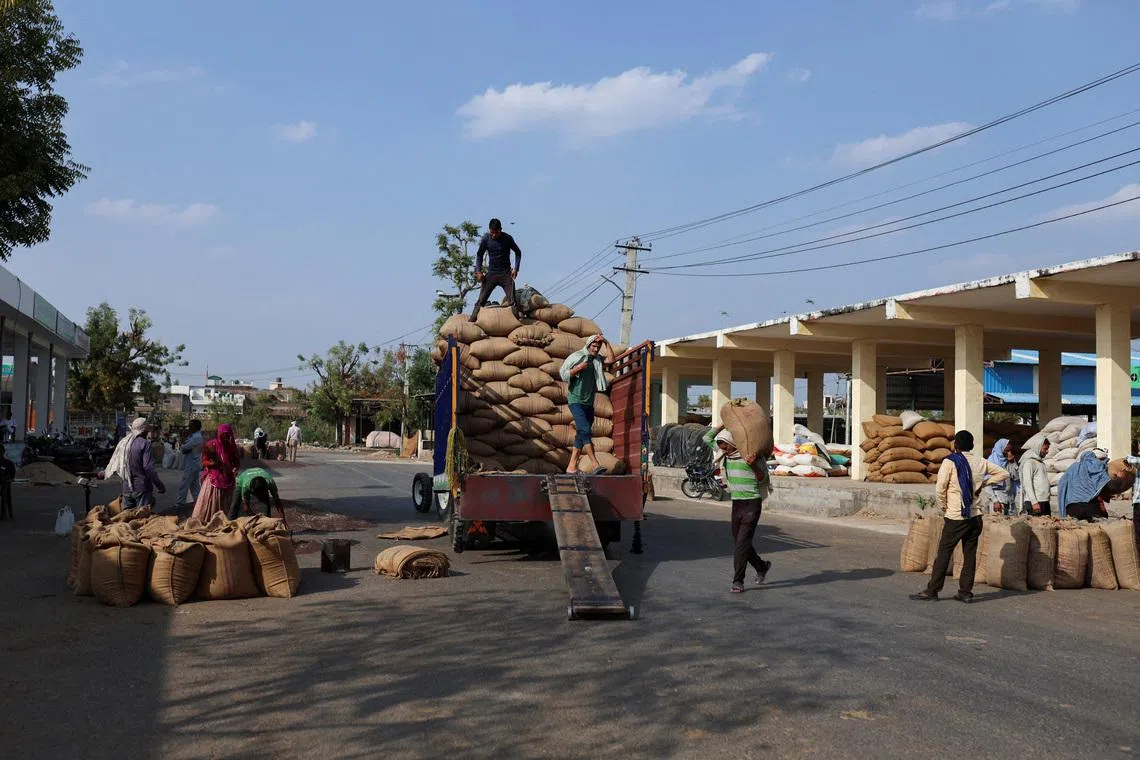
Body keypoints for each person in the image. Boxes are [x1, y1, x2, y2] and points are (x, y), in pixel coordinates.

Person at [913, 430, 1008, 604]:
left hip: (956, 515)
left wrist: (945, 507)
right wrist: (982, 484)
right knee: (970, 554)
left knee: (944, 552)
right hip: (975, 515)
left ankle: (933, 589)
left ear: (955, 445)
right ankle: (965, 592)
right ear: (972, 445)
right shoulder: (980, 462)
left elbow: (940, 488)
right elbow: (1003, 474)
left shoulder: (950, 462)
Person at [704, 425, 773, 593]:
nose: (722, 449)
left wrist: (754, 465)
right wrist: (724, 423)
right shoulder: (724, 454)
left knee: (741, 544)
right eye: (720, 445)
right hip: (737, 503)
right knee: (741, 543)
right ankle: (761, 566)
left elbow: (763, 478)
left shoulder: (750, 456)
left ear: (732, 442)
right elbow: (706, 438)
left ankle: (738, 581)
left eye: (724, 445)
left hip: (752, 503)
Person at [559, 334, 615, 474]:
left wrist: (606, 342)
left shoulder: (597, 360)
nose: (596, 349)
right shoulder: (578, 356)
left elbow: (611, 359)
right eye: (594, 346)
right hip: (575, 401)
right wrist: (578, 368)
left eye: (598, 347)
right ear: (588, 345)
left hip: (588, 403)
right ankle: (595, 463)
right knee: (586, 431)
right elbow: (563, 373)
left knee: (581, 434)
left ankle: (571, 467)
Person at [103, 417, 166, 509]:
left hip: (127, 489)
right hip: (142, 488)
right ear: (145, 430)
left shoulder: (124, 443)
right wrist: (159, 485)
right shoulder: (145, 444)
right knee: (141, 519)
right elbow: (148, 468)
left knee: (125, 519)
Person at [469, 218, 522, 322]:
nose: (494, 235)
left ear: (500, 230)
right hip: (491, 274)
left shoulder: (507, 238)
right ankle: (472, 321)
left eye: (496, 232)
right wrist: (478, 271)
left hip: (505, 274)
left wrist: (516, 269)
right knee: (481, 300)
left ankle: (517, 322)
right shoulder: (486, 239)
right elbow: (479, 255)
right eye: (491, 232)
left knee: (512, 301)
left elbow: (518, 252)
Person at [191, 423, 241, 522]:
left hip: (228, 479)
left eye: (228, 435)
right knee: (209, 502)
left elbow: (236, 462)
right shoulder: (211, 445)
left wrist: (235, 468)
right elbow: (204, 460)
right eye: (223, 435)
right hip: (214, 480)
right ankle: (206, 521)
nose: (226, 438)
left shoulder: (232, 447)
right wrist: (216, 463)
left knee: (225, 506)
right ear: (219, 434)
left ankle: (221, 522)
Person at [1057, 449, 1110, 521]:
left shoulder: (1072, 467)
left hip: (1072, 507)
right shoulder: (1095, 465)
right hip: (1090, 506)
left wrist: (1063, 512)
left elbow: (1061, 485)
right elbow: (1101, 486)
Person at [1018, 436, 1052, 516]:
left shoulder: (1041, 463)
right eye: (1045, 449)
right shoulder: (1029, 463)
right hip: (1035, 503)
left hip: (1044, 501)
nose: (1047, 451)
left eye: (1047, 449)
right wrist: (1034, 502)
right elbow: (1027, 484)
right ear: (1038, 447)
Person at [986, 439, 1019, 515]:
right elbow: (987, 484)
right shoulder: (991, 462)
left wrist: (1013, 463)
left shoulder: (1008, 462)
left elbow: (1016, 477)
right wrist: (995, 501)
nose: (1009, 453)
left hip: (1009, 498)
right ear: (1000, 449)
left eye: (1010, 451)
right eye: (1007, 451)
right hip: (998, 499)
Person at [177, 420, 204, 506]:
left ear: (195, 427)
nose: (189, 427)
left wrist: (182, 440)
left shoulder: (196, 437)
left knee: (185, 484)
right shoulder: (195, 436)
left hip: (192, 464)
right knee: (194, 485)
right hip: (194, 463)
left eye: (190, 426)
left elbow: (184, 448)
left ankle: (180, 502)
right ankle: (198, 502)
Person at [0, 446, 15, 520]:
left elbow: (12, 474)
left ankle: (4, 515)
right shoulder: (8, 462)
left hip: (4, 483)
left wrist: (9, 479)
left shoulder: (8, 463)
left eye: (1, 451)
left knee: (5, 496)